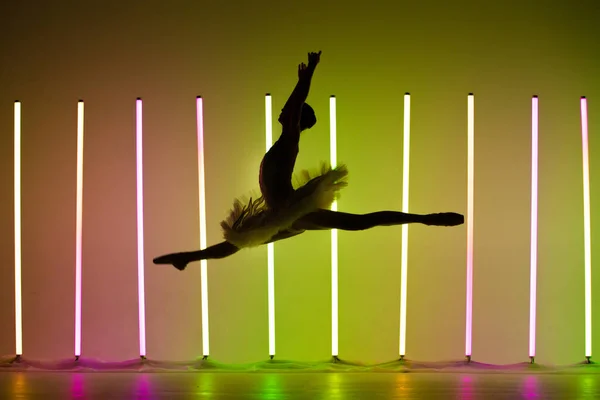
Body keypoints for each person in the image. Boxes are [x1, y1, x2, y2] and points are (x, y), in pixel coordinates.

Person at [153, 51, 464, 271]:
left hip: (292, 209)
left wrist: (308, 74)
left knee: (357, 223)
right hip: (280, 213)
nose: (283, 114)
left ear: (296, 120)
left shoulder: (289, 140)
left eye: (290, 115)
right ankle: (187, 258)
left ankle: (427, 217)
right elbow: (291, 109)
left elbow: (294, 105)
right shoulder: (283, 142)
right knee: (236, 243)